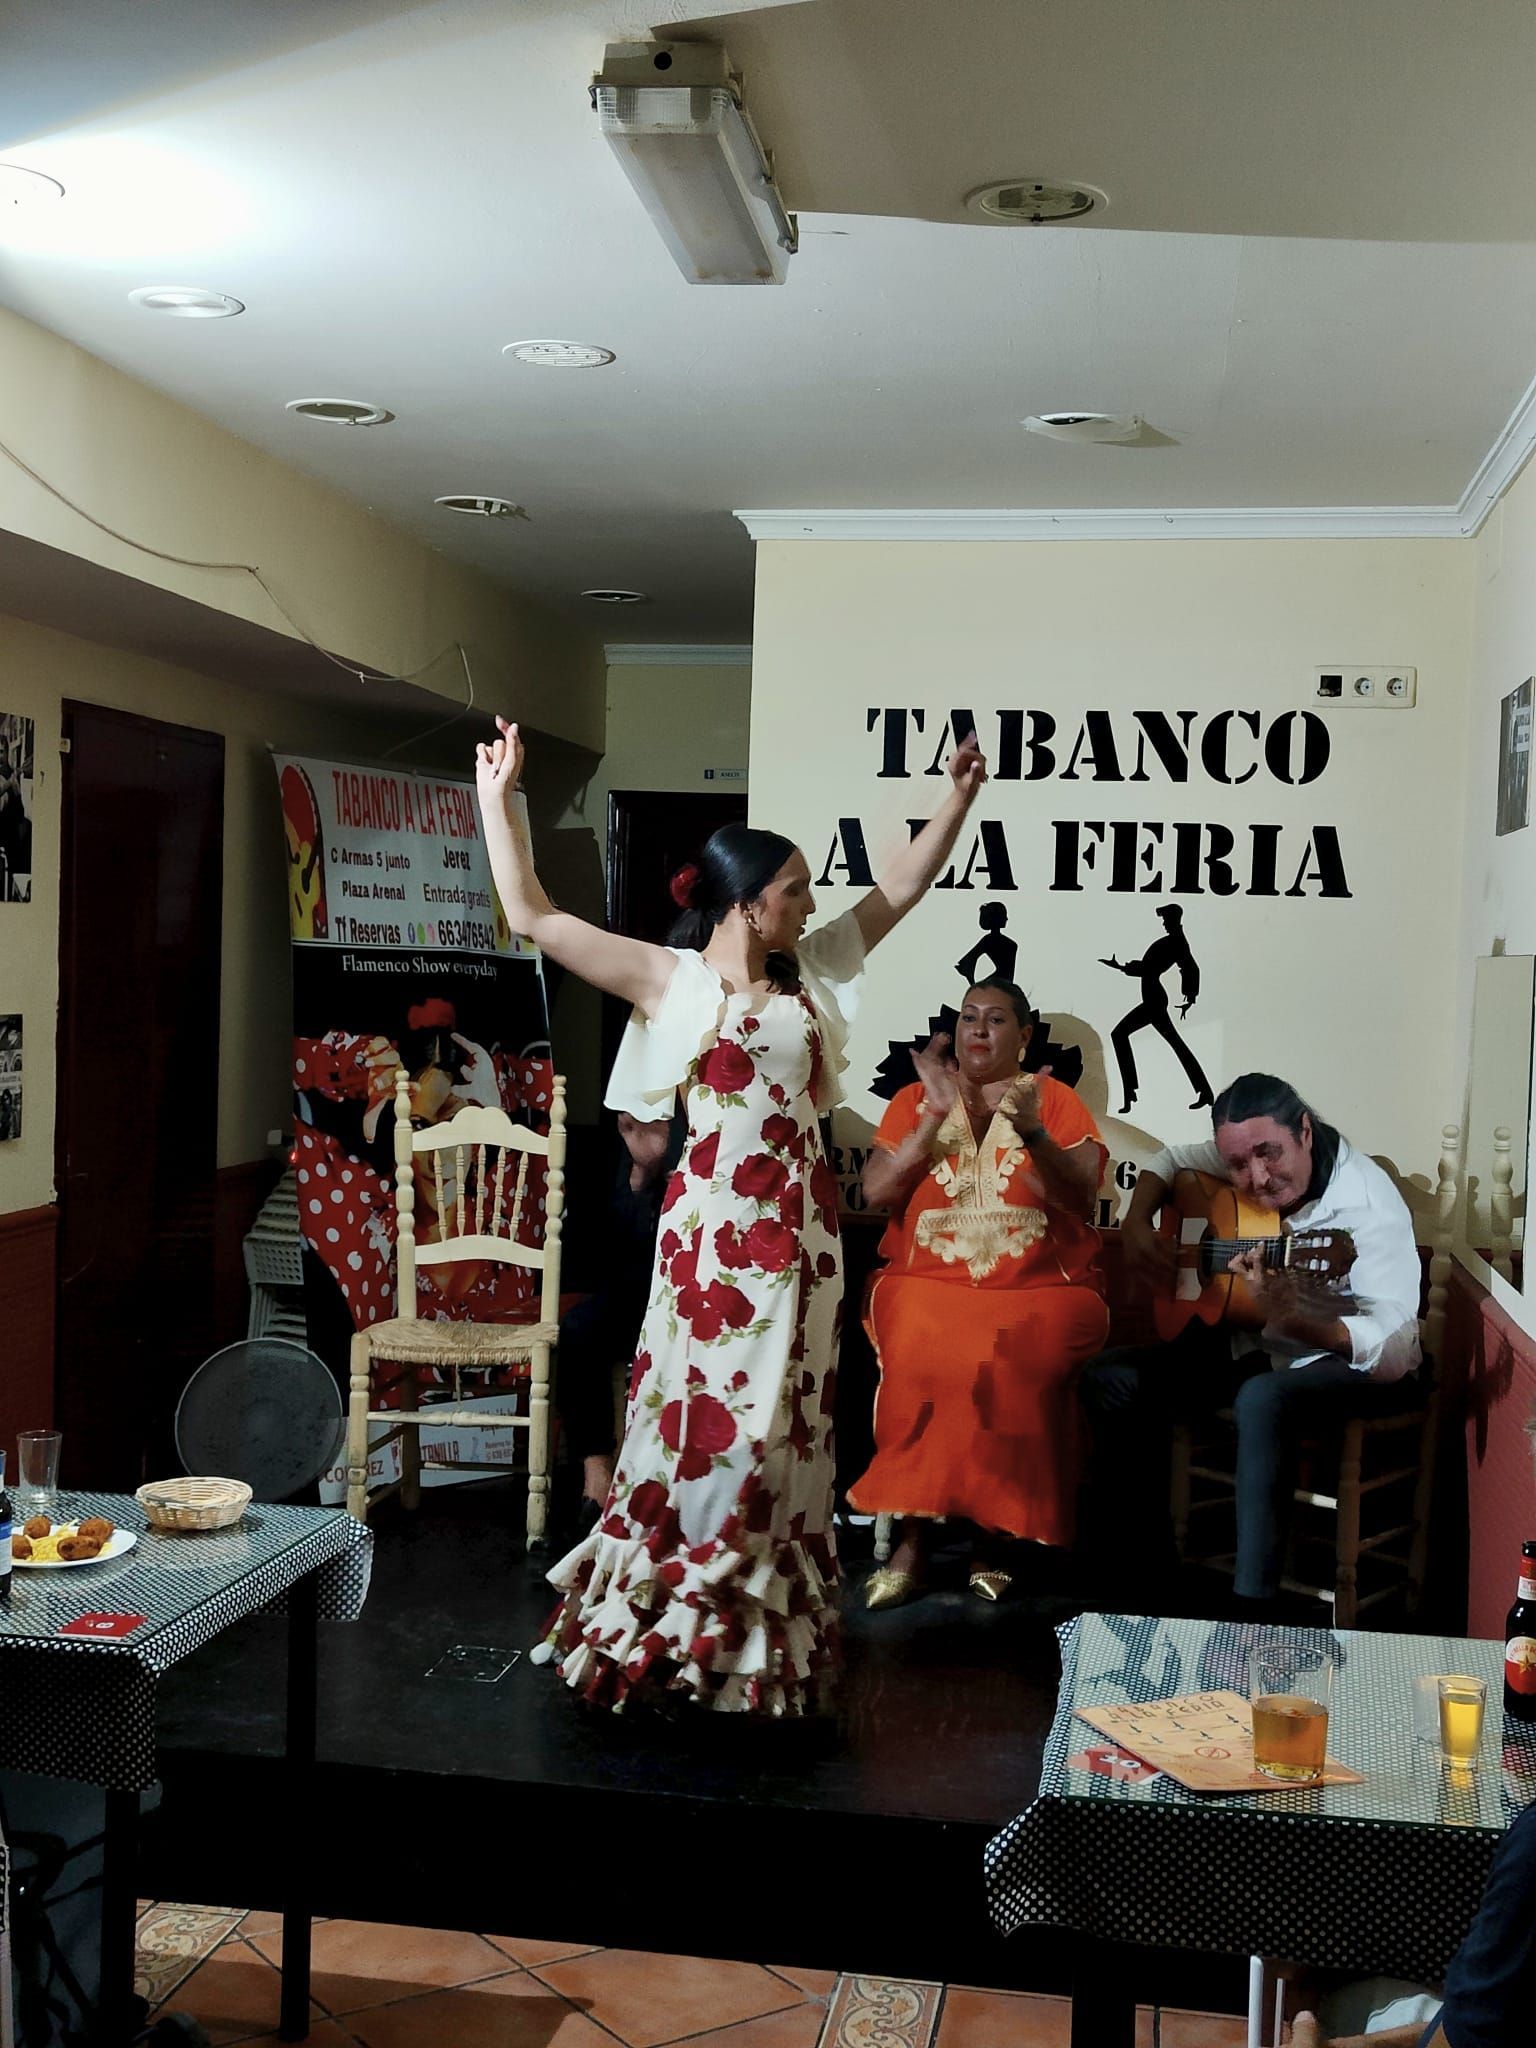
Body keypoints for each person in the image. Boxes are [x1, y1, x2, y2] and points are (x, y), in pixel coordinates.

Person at [476, 714, 988, 1713]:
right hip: (711, 1240)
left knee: (788, 1433)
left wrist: (959, 799)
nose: (810, 902)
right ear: (749, 905)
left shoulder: (814, 969)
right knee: (710, 1433)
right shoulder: (669, 978)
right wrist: (500, 800)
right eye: (794, 889)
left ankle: (753, 1648)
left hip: (802, 1237)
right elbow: (533, 913)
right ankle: (669, 1628)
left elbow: (904, 888)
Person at [1079, 1072, 1422, 1612]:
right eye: (1237, 1164)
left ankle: (1250, 1617)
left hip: (1348, 1360)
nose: (1256, 1178)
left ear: (1304, 1132)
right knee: (1110, 1377)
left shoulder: (1367, 1204)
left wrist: (1303, 1323)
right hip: (1256, 1343)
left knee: (1262, 1398)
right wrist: (1139, 1221)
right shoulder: (1243, 1153)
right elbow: (1169, 1160)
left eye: (1269, 1154)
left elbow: (1393, 1347)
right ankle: (1142, 1585)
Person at [847, 979, 1107, 1606]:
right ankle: (913, 1541)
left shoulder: (1056, 1101)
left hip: (1040, 1288)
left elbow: (1082, 1200)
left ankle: (993, 1538)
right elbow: (877, 1193)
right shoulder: (913, 1100)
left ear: (1025, 1036)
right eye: (969, 1018)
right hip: (925, 1284)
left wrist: (1035, 1135)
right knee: (923, 1345)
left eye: (996, 1020)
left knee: (1003, 1352)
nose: (979, 1030)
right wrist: (933, 1118)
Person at [555, 1109, 681, 1535]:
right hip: (636, 1295)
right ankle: (596, 1477)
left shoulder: (705, 1130)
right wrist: (642, 1173)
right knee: (578, 1330)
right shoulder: (619, 1154)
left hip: (693, 1296)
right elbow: (610, 1250)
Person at [1100, 902, 1213, 1115]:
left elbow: (1188, 967)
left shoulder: (1177, 942)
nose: (1164, 924)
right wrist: (1122, 967)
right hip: (1153, 997)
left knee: (1120, 1034)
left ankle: (1131, 1093)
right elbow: (1148, 969)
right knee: (1174, 1044)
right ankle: (1203, 1092)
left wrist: (1190, 996)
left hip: (1154, 1001)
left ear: (1174, 920)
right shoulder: (1171, 941)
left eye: (1166, 920)